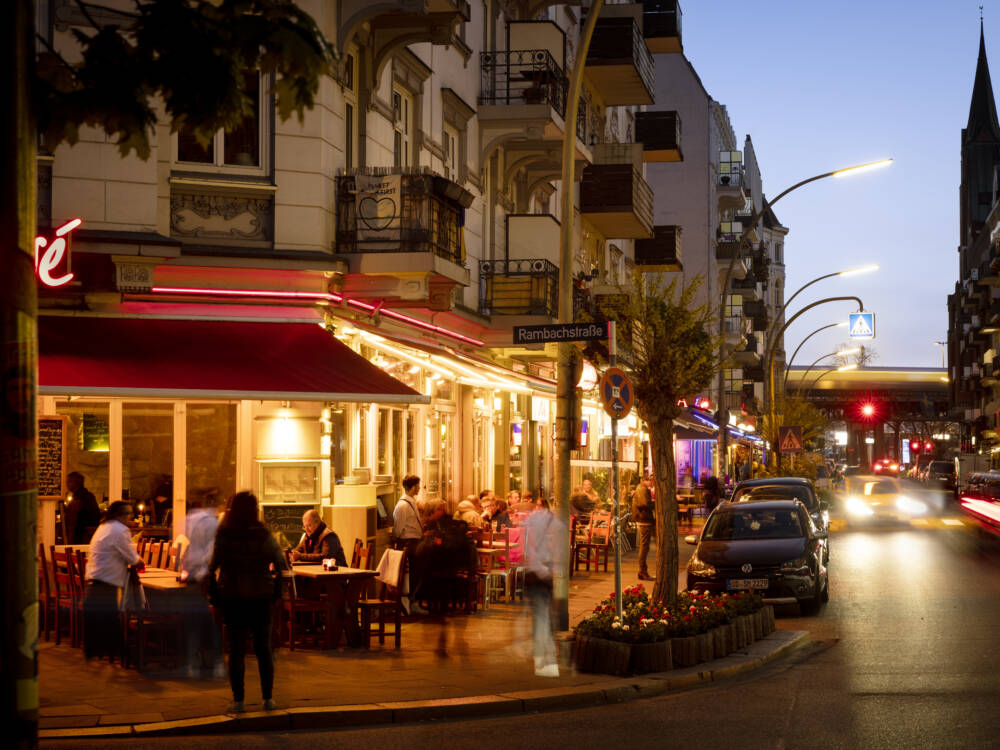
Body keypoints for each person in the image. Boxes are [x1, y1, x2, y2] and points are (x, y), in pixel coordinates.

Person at [209, 491, 285, 713]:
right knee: (264, 650)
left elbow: (212, 566)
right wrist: (276, 592)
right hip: (261, 598)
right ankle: (268, 698)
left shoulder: (225, 534)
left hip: (233, 598)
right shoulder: (263, 535)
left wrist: (216, 594)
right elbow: (280, 563)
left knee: (236, 651)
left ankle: (239, 700)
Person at [83, 501, 142, 661]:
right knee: (110, 618)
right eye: (128, 513)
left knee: (101, 617)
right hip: (106, 578)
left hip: (95, 576)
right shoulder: (120, 530)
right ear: (119, 515)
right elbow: (131, 556)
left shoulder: (104, 526)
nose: (130, 517)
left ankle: (97, 650)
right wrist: (140, 562)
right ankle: (123, 653)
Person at [179, 490, 223, 677]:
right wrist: (205, 572)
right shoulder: (211, 522)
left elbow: (190, 547)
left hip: (191, 575)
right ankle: (206, 659)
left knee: (194, 617)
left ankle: (194, 659)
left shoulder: (191, 518)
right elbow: (210, 552)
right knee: (202, 618)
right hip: (202, 577)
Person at [522, 500, 567, 677]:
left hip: (538, 574)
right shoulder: (555, 526)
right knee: (543, 614)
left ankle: (543, 655)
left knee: (541, 614)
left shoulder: (536, 524)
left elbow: (530, 552)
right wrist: (549, 572)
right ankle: (544, 658)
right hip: (541, 575)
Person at [392, 475, 427, 615]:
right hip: (409, 544)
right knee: (412, 574)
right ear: (412, 487)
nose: (419, 488)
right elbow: (398, 529)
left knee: (416, 573)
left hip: (414, 542)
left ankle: (412, 601)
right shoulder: (403, 505)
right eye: (418, 486)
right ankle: (409, 602)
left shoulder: (410, 502)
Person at [64, 471, 101, 544]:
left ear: (75, 483)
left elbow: (73, 521)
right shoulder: (89, 495)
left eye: (68, 481)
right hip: (91, 534)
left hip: (82, 535)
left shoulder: (79, 498)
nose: (67, 484)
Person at [631, 475, 655, 581]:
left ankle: (643, 570)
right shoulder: (643, 489)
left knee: (644, 546)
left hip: (642, 519)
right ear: (645, 481)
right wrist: (654, 504)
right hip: (644, 520)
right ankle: (642, 571)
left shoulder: (640, 489)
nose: (652, 484)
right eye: (651, 481)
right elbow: (644, 503)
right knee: (644, 546)